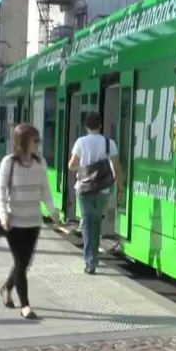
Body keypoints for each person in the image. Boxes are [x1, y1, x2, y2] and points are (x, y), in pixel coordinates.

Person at [0, 123, 58, 320]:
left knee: (23, 262)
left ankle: (7, 287)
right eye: (34, 140)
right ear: (23, 142)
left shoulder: (40, 163)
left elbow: (45, 190)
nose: (38, 144)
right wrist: (3, 214)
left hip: (33, 221)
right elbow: (1, 191)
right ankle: (25, 306)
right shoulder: (9, 163)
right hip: (13, 222)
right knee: (21, 263)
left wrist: (52, 211)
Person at [68, 112, 124, 275]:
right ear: (100, 125)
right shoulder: (109, 143)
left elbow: (71, 165)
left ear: (86, 126)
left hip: (84, 188)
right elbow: (117, 168)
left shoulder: (81, 142)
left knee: (86, 223)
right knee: (96, 222)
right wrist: (121, 188)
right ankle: (94, 256)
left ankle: (90, 260)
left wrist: (84, 169)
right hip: (103, 189)